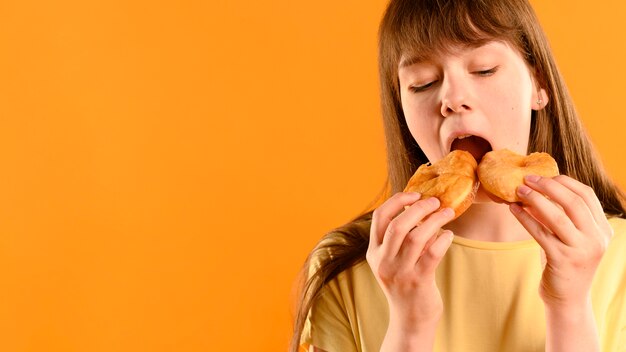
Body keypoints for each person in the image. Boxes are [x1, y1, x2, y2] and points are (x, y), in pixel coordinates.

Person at [290, 0, 626, 351]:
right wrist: (410, 325)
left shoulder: (619, 256)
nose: (452, 98)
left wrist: (569, 308)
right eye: (423, 83)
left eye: (483, 69)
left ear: (538, 83)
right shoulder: (346, 268)